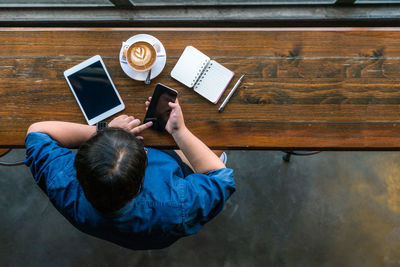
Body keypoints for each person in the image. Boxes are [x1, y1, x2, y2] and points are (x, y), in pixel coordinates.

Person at [24, 97, 235, 250]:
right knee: (220, 144)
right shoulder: (178, 204)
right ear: (142, 177)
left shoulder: (61, 182)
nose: (144, 148)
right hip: (165, 215)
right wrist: (179, 131)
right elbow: (220, 177)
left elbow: (36, 132)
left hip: (121, 231)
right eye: (143, 152)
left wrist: (101, 131)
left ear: (79, 167)